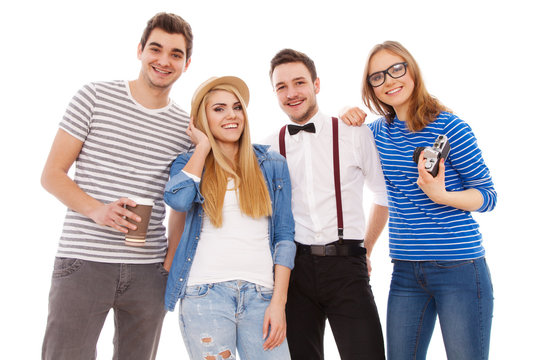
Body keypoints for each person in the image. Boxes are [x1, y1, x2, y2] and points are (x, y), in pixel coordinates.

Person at [40, 12, 193, 360]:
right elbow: (52, 174)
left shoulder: (184, 126)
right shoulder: (94, 97)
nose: (163, 60)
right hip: (83, 261)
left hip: (149, 271)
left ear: (186, 63)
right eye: (156, 49)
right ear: (140, 50)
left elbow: (181, 202)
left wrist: (169, 261)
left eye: (175, 54)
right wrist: (98, 211)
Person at [341, 40, 497, 360]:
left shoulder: (450, 127)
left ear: (412, 71)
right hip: (405, 272)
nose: (389, 80)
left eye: (397, 69)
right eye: (377, 76)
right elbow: (382, 198)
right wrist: (365, 251)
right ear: (370, 88)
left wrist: (442, 195)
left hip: (460, 268)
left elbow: (488, 196)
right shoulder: (375, 134)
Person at [264, 48, 389, 360]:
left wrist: (367, 250)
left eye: (299, 83)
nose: (291, 93)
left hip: (347, 266)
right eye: (282, 87)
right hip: (294, 271)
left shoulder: (354, 133)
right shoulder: (269, 146)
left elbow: (383, 197)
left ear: (316, 85)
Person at [163, 76, 296, 359]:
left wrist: (279, 302)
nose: (231, 115)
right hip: (205, 294)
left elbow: (285, 237)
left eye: (237, 107)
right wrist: (202, 147)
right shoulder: (188, 164)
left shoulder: (272, 164)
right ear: (202, 118)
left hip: (262, 295)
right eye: (219, 109)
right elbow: (179, 200)